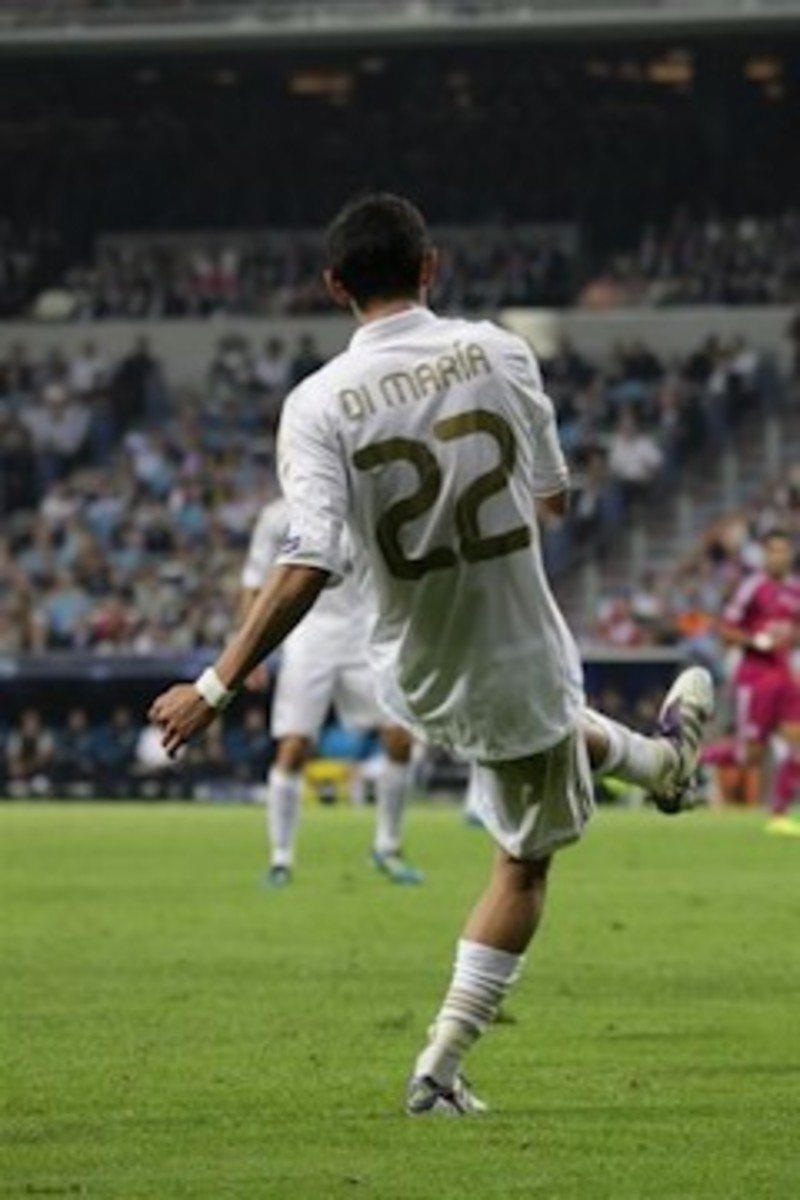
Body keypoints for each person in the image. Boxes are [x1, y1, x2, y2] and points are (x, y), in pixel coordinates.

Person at [150, 192, 714, 1116]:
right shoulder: (500, 352)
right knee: (522, 866)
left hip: (409, 665)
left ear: (334, 286)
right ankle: (439, 1070)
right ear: (431, 266)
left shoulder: (315, 403)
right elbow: (553, 498)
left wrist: (217, 684)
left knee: (545, 736)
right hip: (513, 653)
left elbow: (308, 559)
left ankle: (662, 768)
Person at [240, 495, 422, 887]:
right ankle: (281, 859)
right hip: (307, 635)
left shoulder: (369, 502)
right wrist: (248, 653)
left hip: (365, 633)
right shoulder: (277, 516)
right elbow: (254, 583)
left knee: (400, 738)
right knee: (294, 746)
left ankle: (388, 847)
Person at [719, 527, 800, 836]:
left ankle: (779, 815)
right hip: (755, 678)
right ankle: (682, 757)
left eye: (784, 550)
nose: (779, 556)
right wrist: (755, 640)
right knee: (749, 755)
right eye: (773, 550)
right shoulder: (752, 588)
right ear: (765, 555)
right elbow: (727, 630)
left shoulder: (795, 590)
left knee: (796, 741)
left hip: (785, 675)